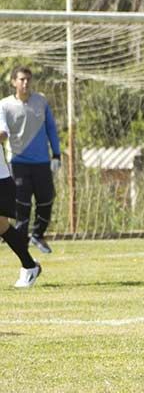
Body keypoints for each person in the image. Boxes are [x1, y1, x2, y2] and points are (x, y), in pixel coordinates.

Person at [0, 66, 62, 254]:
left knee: (46, 199)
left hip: (42, 161)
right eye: (21, 79)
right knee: (22, 205)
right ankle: (22, 244)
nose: (25, 83)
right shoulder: (5, 105)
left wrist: (56, 154)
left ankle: (38, 235)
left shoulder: (41, 101)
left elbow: (51, 128)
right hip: (17, 162)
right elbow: (3, 132)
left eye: (28, 79)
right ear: (13, 82)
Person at [0, 113, 42, 288]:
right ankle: (30, 265)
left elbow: (3, 134)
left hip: (0, 180)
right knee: (2, 226)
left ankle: (30, 266)